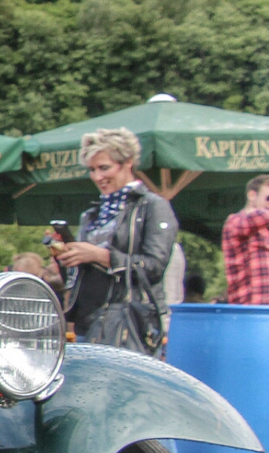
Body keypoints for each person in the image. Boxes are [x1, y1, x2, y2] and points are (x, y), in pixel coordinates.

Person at [54, 127, 178, 354]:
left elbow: (154, 266)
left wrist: (100, 255)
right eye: (91, 169)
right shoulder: (91, 215)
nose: (97, 177)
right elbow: (78, 278)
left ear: (128, 162)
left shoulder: (153, 206)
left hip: (132, 321)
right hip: (90, 320)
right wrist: (67, 258)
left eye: (104, 168)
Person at [222, 174, 269, 305]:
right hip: (250, 305)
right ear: (252, 195)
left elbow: (263, 268)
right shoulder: (236, 221)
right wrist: (267, 211)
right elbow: (266, 217)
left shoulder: (261, 228)